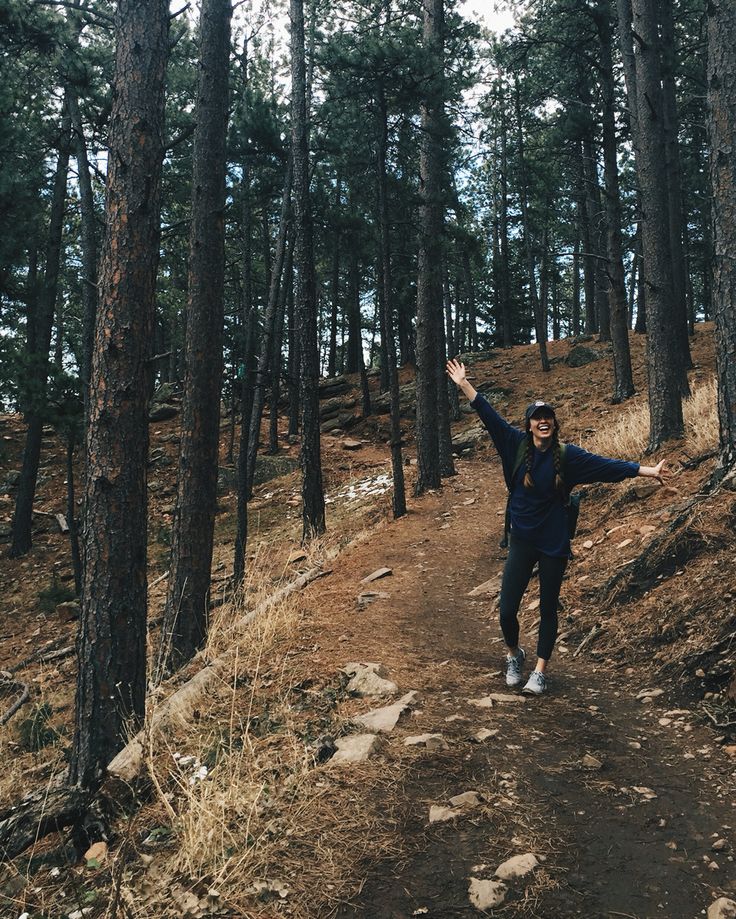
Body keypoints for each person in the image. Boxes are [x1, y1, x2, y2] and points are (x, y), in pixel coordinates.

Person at [446, 358, 666, 696]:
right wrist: (464, 384)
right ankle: (514, 654)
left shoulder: (569, 455)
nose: (543, 421)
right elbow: (486, 413)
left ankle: (539, 671)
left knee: (549, 607)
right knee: (507, 610)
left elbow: (607, 466)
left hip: (553, 543)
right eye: (537, 417)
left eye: (547, 416)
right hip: (521, 539)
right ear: (529, 425)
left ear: (553, 423)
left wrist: (646, 470)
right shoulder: (513, 444)